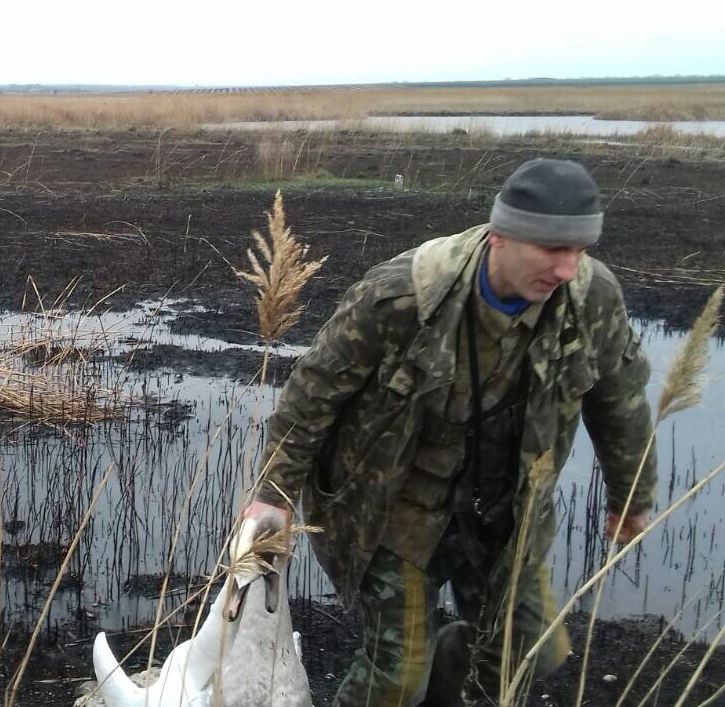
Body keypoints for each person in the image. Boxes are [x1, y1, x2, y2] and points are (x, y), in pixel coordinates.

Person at [237, 159, 657, 706]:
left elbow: (619, 400)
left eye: (579, 250)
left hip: (505, 513)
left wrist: (631, 496)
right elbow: (313, 394)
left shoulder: (591, 298)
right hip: (393, 510)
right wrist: (273, 495)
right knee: (397, 675)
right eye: (552, 249)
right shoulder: (401, 297)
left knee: (530, 651)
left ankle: (443, 688)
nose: (565, 267)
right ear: (500, 236)